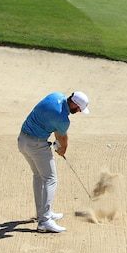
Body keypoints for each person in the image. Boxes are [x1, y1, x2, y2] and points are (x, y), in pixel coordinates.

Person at [18, 91, 90, 233]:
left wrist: (59, 144)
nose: (79, 111)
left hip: (22, 140)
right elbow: (62, 139)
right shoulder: (63, 119)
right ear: (74, 104)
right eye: (79, 109)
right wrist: (62, 150)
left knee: (38, 176)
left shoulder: (55, 96)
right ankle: (44, 221)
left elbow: (56, 129)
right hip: (36, 145)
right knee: (51, 179)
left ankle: (42, 213)